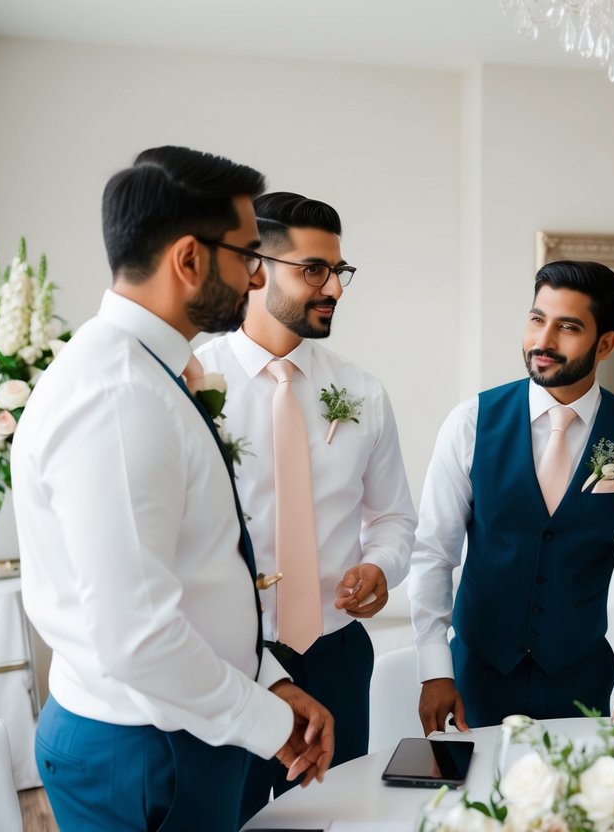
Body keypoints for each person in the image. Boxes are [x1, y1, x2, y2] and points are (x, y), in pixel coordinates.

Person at [13, 147, 334, 832]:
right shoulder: (119, 398)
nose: (255, 279)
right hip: (145, 751)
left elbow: (197, 570)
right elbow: (137, 636)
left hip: (174, 725)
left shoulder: (145, 372)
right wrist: (267, 720)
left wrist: (268, 676)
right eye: (248, 255)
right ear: (189, 259)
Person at [195, 192, 417, 821]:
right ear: (256, 268)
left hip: (336, 656)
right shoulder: (192, 385)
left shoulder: (363, 392)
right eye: (313, 270)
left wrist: (381, 567)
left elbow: (395, 517)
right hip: (229, 661)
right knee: (225, 819)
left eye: (338, 272)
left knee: (330, 819)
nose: (335, 290)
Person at [409, 260, 614, 733]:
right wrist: (435, 669)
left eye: (568, 327)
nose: (543, 341)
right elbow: (434, 551)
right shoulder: (471, 422)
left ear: (607, 344)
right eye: (537, 319)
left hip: (581, 681)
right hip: (475, 677)